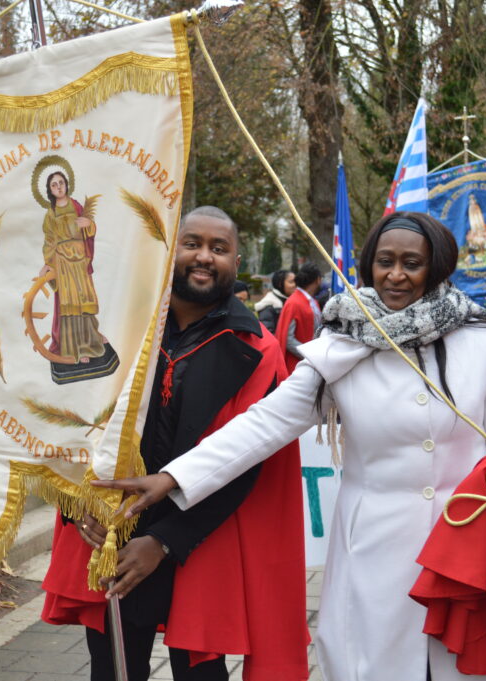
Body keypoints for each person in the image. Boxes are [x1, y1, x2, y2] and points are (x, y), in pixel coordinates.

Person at [96, 213, 486, 681]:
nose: (395, 275)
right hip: (373, 548)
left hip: (468, 545)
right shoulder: (341, 342)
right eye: (384, 261)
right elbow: (264, 423)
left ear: (437, 267)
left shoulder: (482, 338)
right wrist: (173, 477)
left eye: (411, 263)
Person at [40, 207, 309, 681]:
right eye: (192, 244)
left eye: (219, 249)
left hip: (199, 538)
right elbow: (67, 424)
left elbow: (245, 464)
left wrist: (165, 541)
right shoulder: (119, 326)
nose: (204, 257)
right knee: (113, 669)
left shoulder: (258, 350)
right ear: (171, 250)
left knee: (200, 672)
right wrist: (76, 505)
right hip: (112, 531)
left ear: (236, 261)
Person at [39, 170, 109, 364]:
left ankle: (92, 339)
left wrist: (89, 224)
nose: (59, 187)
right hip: (63, 262)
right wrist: (47, 264)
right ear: (50, 190)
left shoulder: (76, 206)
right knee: (70, 304)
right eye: (54, 185)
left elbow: (89, 227)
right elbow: (49, 240)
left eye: (61, 182)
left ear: (66, 184)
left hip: (79, 259)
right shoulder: (51, 214)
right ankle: (76, 349)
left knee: (84, 300)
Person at [275, 262, 322, 371]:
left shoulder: (311, 301)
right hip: (298, 365)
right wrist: (309, 354)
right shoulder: (294, 302)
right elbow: (288, 339)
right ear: (318, 280)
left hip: (310, 362)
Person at [255, 269, 295, 334]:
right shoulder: (269, 305)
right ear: (280, 284)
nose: (295, 285)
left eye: (296, 281)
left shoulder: (289, 300)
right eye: (291, 282)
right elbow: (268, 333)